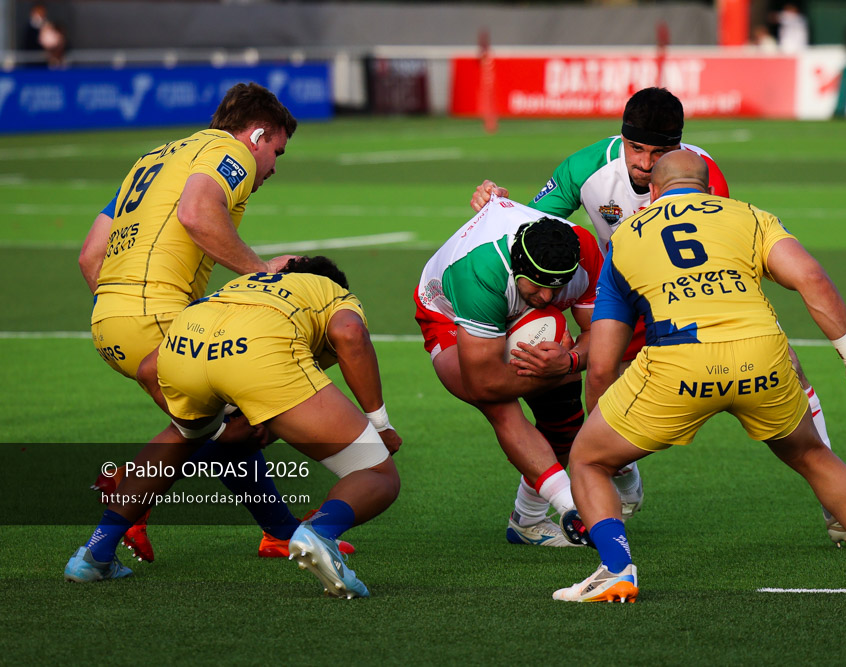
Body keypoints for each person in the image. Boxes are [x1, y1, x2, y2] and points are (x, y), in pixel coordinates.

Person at [471, 87, 846, 545]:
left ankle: (836, 511)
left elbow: (720, 252)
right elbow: (533, 230)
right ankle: (540, 511)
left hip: (683, 298)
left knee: (788, 364)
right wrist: (498, 207)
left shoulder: (700, 171)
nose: (646, 163)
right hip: (619, 296)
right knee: (577, 387)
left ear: (678, 147)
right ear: (622, 138)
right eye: (636, 148)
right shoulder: (585, 167)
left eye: (659, 152)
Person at [552, 151, 846, 602]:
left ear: (653, 192)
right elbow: (811, 277)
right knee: (812, 454)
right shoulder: (749, 216)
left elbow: (603, 361)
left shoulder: (625, 237)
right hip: (761, 357)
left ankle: (616, 570)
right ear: (709, 189)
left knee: (588, 460)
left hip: (679, 366)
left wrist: (602, 422)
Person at [66, 256, 401, 599]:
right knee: (377, 473)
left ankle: (93, 555)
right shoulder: (332, 292)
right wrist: (380, 425)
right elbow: (349, 332)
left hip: (188, 341)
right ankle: (319, 532)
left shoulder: (241, 286)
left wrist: (216, 431)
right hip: (259, 350)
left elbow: (148, 370)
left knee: (182, 437)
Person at [77, 82, 314, 564]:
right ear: (257, 134)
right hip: (157, 318)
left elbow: (89, 257)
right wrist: (261, 274)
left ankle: (279, 532)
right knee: (246, 422)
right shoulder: (231, 151)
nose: (273, 167)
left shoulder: (154, 158)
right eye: (276, 151)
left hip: (109, 323)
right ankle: (128, 491)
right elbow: (196, 213)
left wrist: (125, 308)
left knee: (222, 424)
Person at [415, 200, 603, 546]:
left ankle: (527, 522)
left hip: (512, 306)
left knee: (565, 422)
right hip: (449, 312)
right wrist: (552, 370)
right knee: (498, 404)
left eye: (558, 286)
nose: (547, 295)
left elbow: (601, 336)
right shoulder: (478, 272)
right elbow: (483, 385)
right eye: (537, 285)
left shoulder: (585, 253)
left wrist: (570, 362)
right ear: (518, 268)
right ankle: (574, 507)